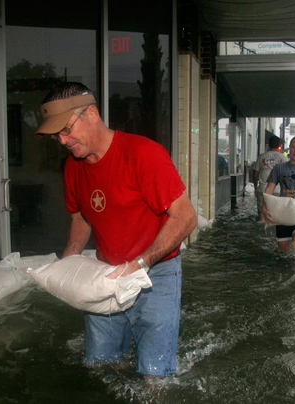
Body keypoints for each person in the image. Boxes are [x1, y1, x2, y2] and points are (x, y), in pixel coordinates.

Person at [34, 82, 197, 378]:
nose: (62, 140)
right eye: (57, 134)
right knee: (101, 364)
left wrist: (140, 264)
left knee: (154, 375)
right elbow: (81, 217)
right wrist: (69, 261)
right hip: (105, 271)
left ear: (92, 114)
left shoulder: (143, 154)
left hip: (156, 274)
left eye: (66, 129)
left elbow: (185, 218)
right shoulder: (73, 166)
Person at [253, 136, 288, 221]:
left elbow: (255, 174)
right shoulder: (284, 158)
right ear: (280, 145)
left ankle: (260, 230)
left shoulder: (262, 157)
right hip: (277, 190)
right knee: (275, 214)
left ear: (269, 144)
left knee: (261, 214)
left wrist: (255, 188)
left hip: (263, 189)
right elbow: (287, 176)